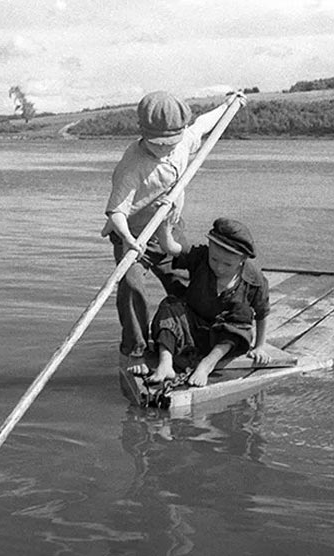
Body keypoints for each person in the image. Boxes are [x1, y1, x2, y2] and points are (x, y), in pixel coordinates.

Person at [102, 90, 246, 376]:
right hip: (133, 234)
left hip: (168, 226)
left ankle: (191, 334)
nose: (166, 149)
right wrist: (130, 242)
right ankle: (137, 349)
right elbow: (116, 212)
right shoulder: (132, 166)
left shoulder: (183, 141)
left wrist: (229, 105)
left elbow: (204, 125)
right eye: (158, 144)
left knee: (187, 280)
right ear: (144, 135)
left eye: (171, 142)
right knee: (131, 289)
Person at [145, 217, 272, 387]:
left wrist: (259, 346)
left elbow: (262, 313)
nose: (219, 267)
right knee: (170, 305)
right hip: (192, 327)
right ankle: (165, 363)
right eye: (214, 260)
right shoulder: (201, 257)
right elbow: (173, 249)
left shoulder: (255, 279)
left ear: (242, 260)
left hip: (224, 337)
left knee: (241, 320)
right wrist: (165, 230)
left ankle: (206, 365)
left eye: (227, 264)